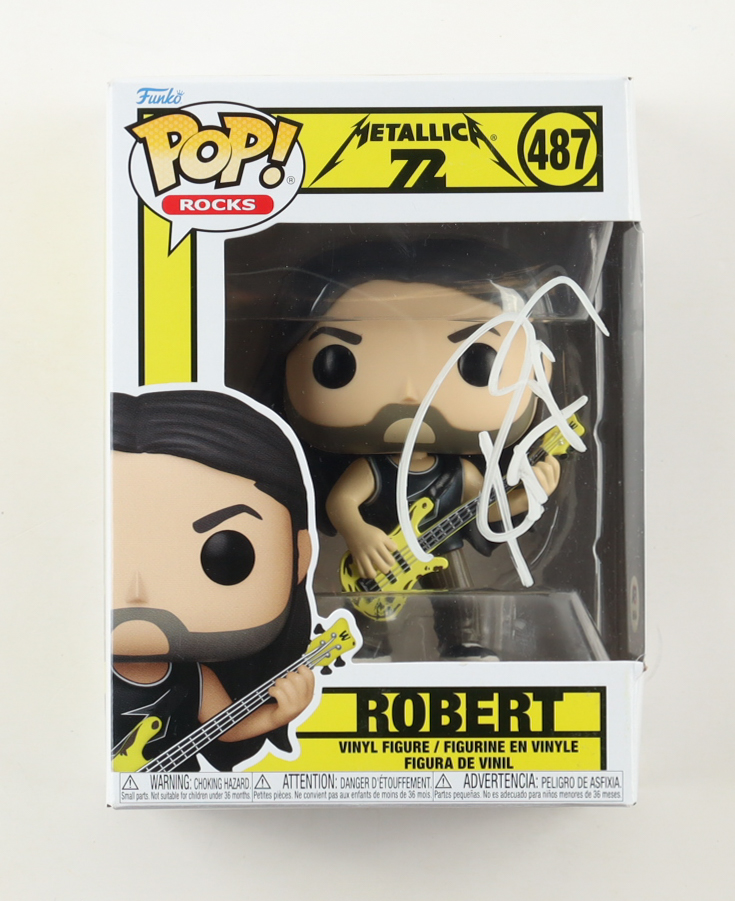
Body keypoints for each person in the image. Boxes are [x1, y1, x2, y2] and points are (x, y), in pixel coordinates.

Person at [283, 238, 560, 659]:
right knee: (372, 600)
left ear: (541, 367)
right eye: (338, 361)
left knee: (457, 596)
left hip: (441, 549)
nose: (411, 392)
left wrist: (526, 497)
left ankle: (462, 642)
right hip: (385, 551)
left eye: (477, 362)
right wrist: (360, 535)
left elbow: (484, 511)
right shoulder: (373, 468)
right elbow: (342, 501)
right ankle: (368, 646)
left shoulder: (460, 472)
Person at [111, 389, 315, 771]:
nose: (137, 591)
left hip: (179, 788)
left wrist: (279, 714)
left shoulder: (196, 680)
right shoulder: (77, 674)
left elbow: (225, 729)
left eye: (226, 555)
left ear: (298, 557)